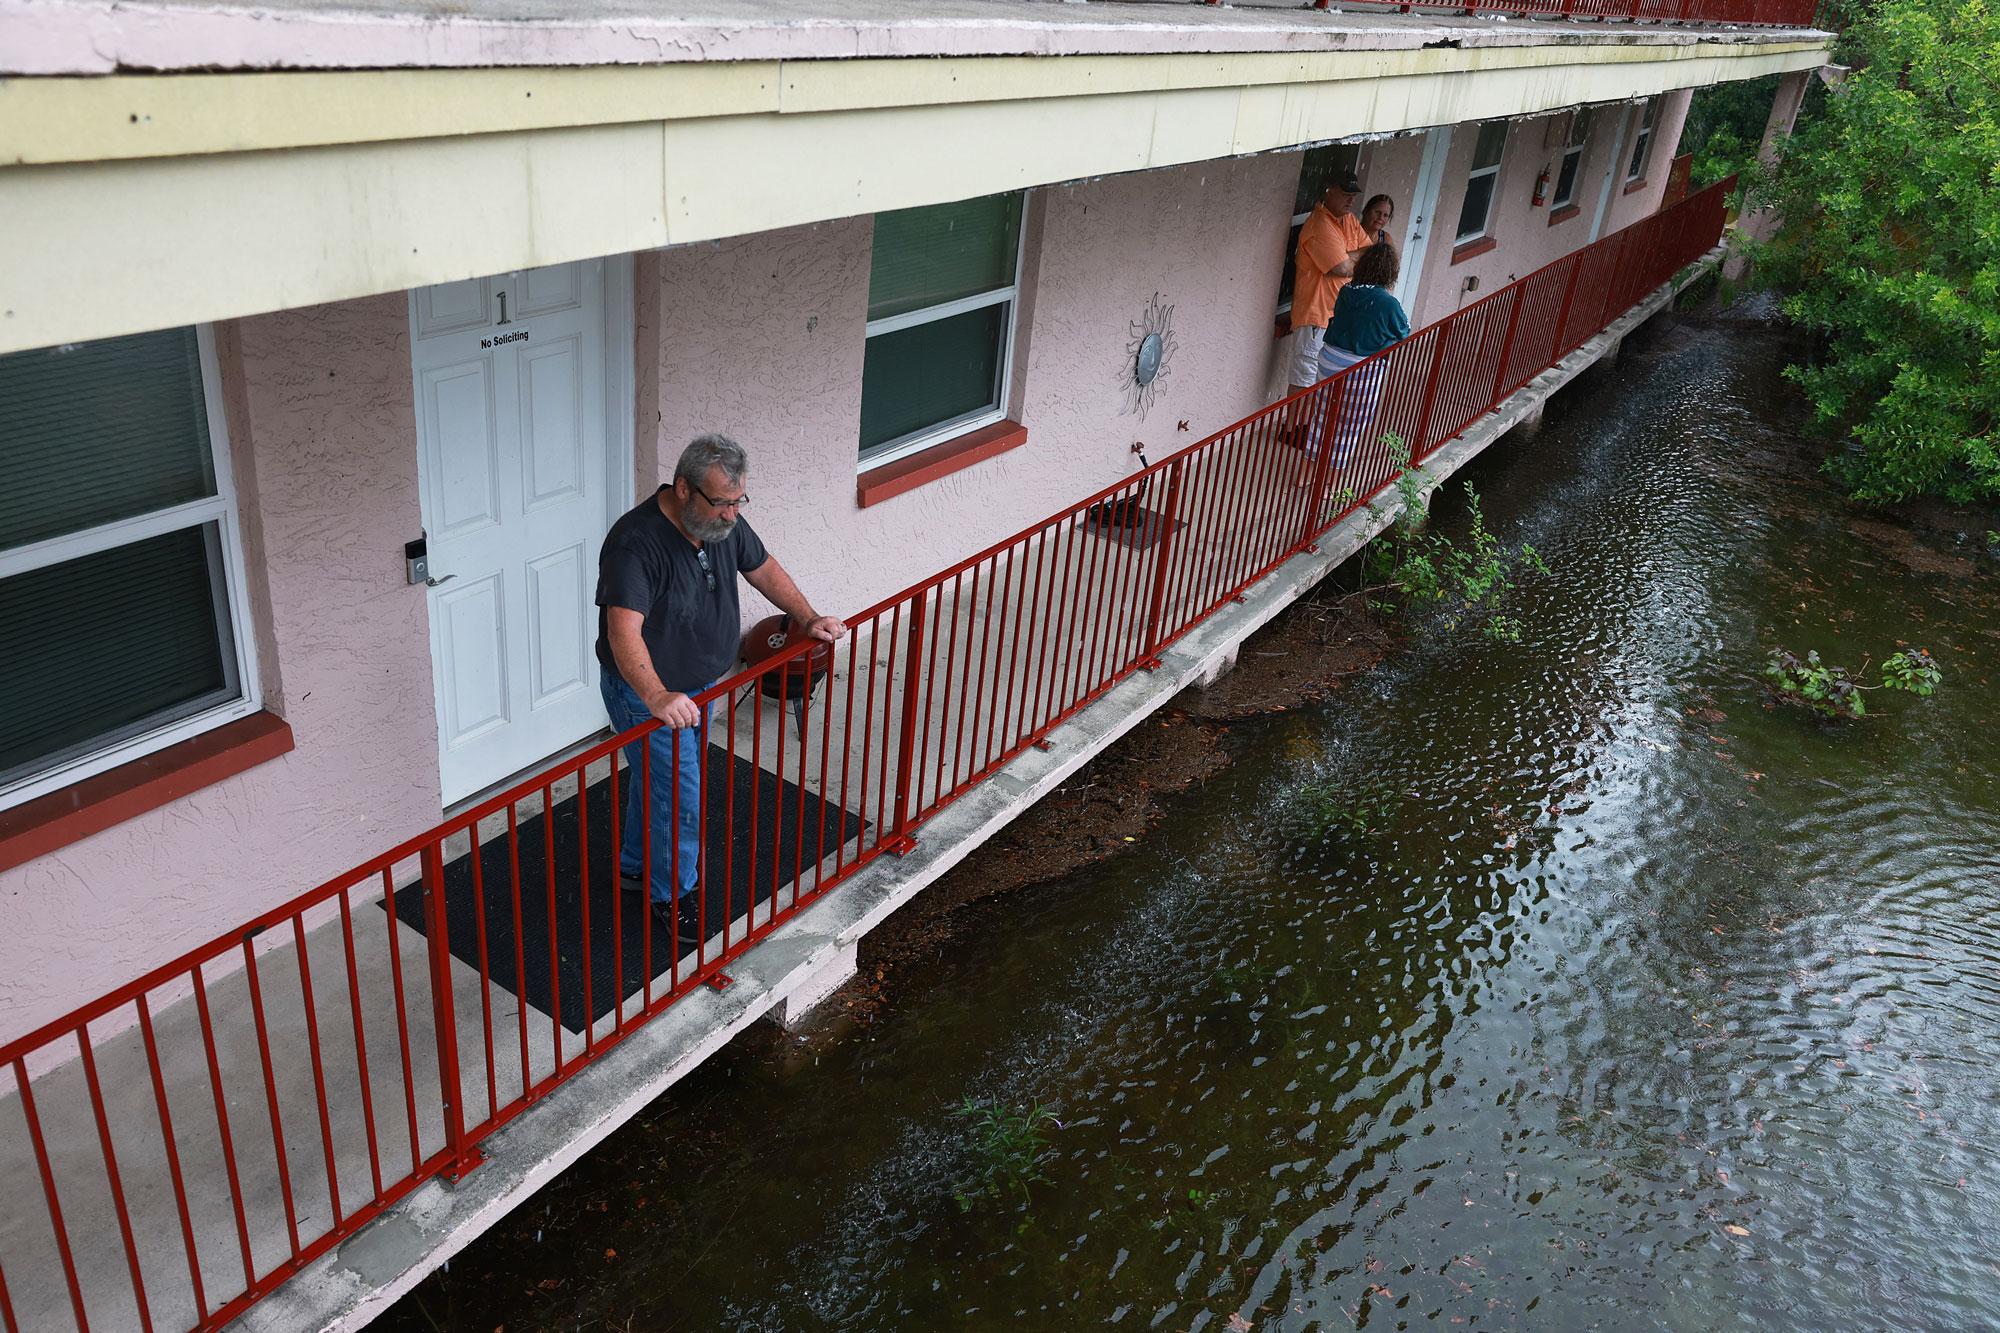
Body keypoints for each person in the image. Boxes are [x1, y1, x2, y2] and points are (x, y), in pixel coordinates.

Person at [595, 434, 847, 954]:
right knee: (681, 794)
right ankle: (673, 895)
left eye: (738, 502)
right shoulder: (635, 543)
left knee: (660, 783)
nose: (732, 516)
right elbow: (623, 632)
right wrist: (658, 695)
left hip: (701, 687)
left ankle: (635, 870)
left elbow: (764, 568)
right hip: (650, 694)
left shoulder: (719, 521)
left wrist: (808, 617)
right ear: (683, 489)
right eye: (722, 503)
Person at [1317, 241, 1411, 467]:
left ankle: (1305, 475)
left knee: (1322, 418)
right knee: (1349, 426)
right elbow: (1404, 332)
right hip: (1359, 370)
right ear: (1389, 272)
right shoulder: (1387, 302)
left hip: (1328, 359)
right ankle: (1329, 484)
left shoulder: (1345, 290)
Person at [1286, 168, 1376, 398]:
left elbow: (1371, 253)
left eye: (1353, 194)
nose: (1351, 200)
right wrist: (1348, 259)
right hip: (1316, 316)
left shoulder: (1350, 221)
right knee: (1304, 379)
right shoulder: (1319, 225)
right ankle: (1291, 432)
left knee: (1324, 379)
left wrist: (1345, 255)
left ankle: (1306, 429)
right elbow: (1341, 268)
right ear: (1328, 191)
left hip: (1338, 314)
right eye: (1346, 193)